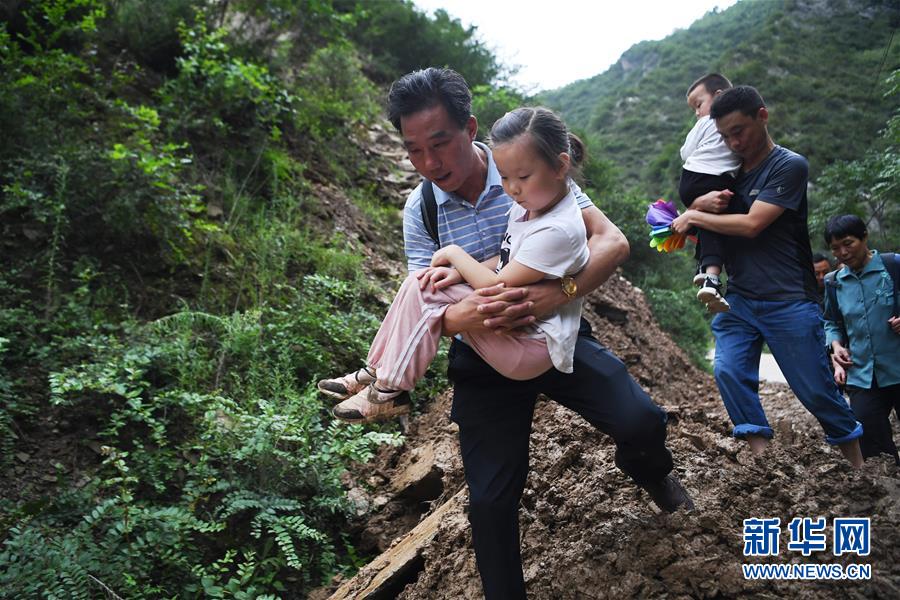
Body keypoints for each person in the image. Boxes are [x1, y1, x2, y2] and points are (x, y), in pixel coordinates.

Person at [333, 68, 692, 600]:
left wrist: (558, 293)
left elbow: (612, 242)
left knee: (640, 420)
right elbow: (428, 305)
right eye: (414, 151)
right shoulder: (422, 208)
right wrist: (483, 311)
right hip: (482, 356)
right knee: (490, 501)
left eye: (440, 144)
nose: (430, 163)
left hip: (554, 334)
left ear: (469, 128)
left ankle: (651, 472)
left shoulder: (524, 166)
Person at [318, 107, 590, 421]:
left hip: (531, 343)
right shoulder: (528, 204)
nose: (512, 188)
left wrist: (455, 254)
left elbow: (499, 286)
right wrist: (457, 272)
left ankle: (390, 388)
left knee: (427, 289)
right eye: (505, 177)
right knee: (423, 282)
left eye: (522, 177)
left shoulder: (557, 225)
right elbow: (509, 257)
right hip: (515, 330)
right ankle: (377, 370)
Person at [671, 85, 864, 466]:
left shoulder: (788, 166)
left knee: (815, 390)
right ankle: (764, 463)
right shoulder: (726, 175)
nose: (733, 142)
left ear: (762, 115)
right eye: (724, 135)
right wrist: (694, 208)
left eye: (739, 131)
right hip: (740, 298)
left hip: (788, 298)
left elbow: (752, 224)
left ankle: (858, 467)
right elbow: (703, 228)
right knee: (728, 370)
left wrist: (692, 214)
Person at [822, 214, 900, 464]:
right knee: (873, 446)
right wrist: (835, 346)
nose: (842, 252)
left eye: (848, 243)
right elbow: (831, 322)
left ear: (864, 237)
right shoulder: (833, 283)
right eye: (835, 248)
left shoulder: (893, 266)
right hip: (862, 375)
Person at [678, 73, 741, 312]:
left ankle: (703, 269)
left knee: (706, 224)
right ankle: (712, 277)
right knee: (714, 223)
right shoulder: (712, 123)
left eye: (699, 104)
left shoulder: (707, 123)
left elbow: (685, 152)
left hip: (693, 179)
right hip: (708, 178)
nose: (697, 112)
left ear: (719, 96)